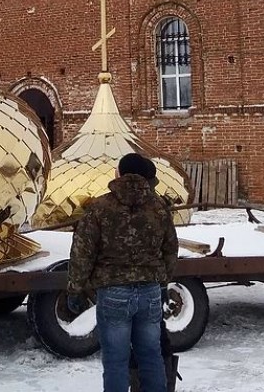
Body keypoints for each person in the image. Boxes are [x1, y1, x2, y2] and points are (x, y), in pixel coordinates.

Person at [67, 153, 179, 392]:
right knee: (151, 356)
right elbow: (170, 248)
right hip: (150, 291)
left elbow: (82, 251)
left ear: (119, 173)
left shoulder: (99, 207)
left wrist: (76, 288)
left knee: (116, 361)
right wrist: (162, 280)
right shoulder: (159, 207)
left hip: (113, 293)